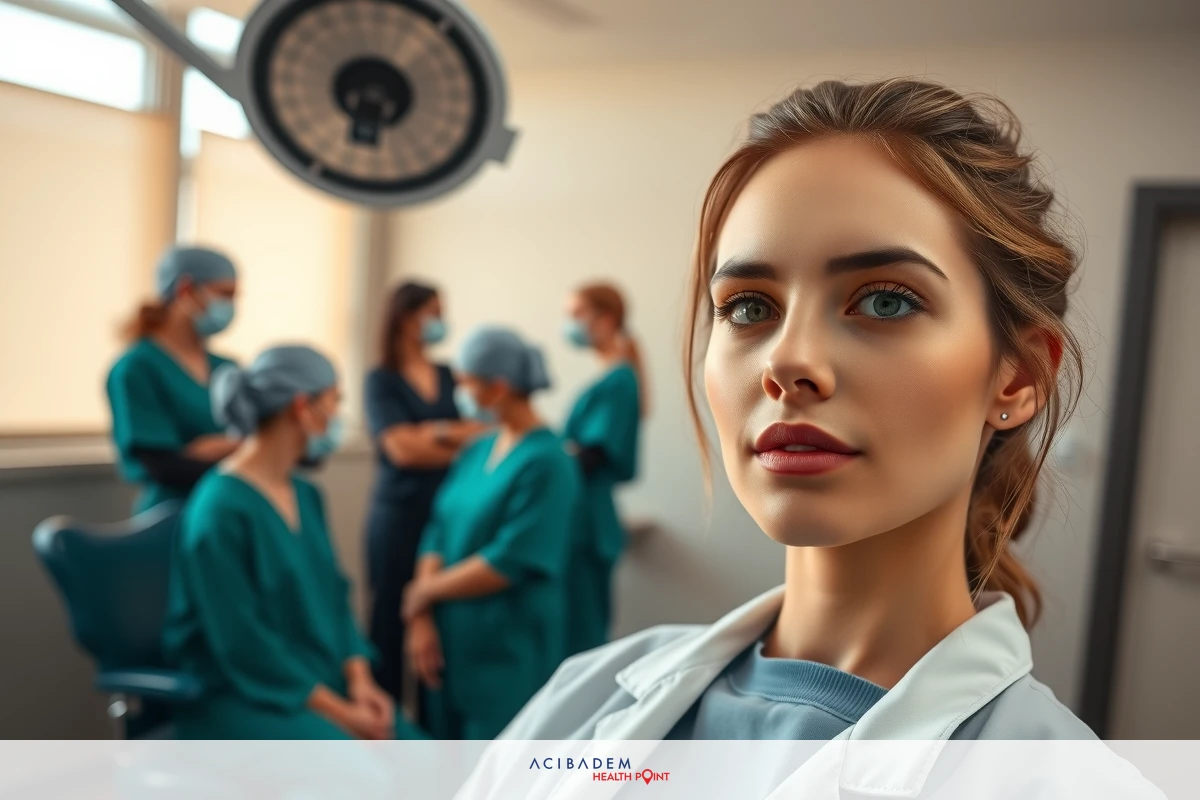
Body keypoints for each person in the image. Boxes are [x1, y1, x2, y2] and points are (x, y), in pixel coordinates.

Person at [453, 77, 1165, 798]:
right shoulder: (580, 704)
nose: (787, 362)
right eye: (749, 306)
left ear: (1014, 379)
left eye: (885, 301)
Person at [163, 344, 423, 740]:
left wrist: (360, 681)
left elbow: (335, 596)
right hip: (242, 696)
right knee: (364, 775)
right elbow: (242, 644)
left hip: (321, 681)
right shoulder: (219, 510)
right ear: (303, 408)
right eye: (334, 402)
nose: (338, 417)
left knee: (423, 759)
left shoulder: (306, 496)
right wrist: (342, 715)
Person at [402, 326, 582, 740]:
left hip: (508, 648)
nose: (458, 395)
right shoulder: (477, 449)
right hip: (446, 642)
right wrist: (422, 616)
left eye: (465, 384)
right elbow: (438, 528)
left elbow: (512, 558)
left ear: (497, 388)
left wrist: (424, 593)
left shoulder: (549, 462)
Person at [363, 281, 485, 705]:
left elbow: (484, 434)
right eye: (431, 311)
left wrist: (430, 435)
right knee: (389, 622)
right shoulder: (381, 380)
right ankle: (386, 724)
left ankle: (434, 728)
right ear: (404, 316)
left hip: (447, 515)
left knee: (439, 618)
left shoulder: (450, 375)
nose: (438, 321)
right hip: (397, 516)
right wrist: (450, 434)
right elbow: (400, 450)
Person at [107, 246, 242, 513]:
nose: (232, 307)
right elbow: (163, 467)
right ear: (186, 290)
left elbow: (267, 446)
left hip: (230, 509)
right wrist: (237, 448)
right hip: (171, 517)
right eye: (224, 294)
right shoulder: (136, 368)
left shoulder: (227, 368)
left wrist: (205, 450)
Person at [560, 283, 646, 656]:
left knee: (581, 640)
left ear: (606, 319)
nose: (570, 323)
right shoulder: (610, 376)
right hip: (583, 518)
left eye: (577, 314)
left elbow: (591, 455)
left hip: (587, 525)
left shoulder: (618, 380)